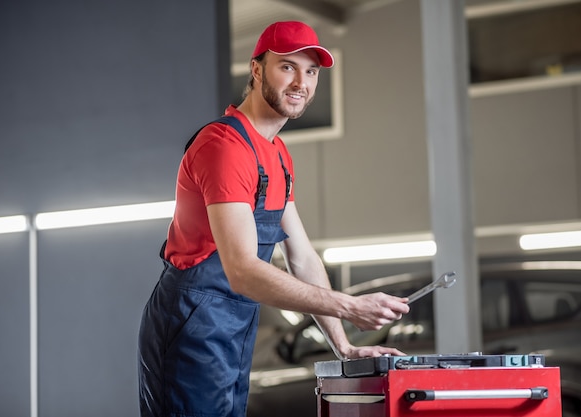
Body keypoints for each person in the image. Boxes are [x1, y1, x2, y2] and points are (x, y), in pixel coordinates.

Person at [138, 20, 411, 417]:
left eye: (312, 71)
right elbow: (243, 271)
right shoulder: (224, 147)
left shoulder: (278, 155)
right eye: (288, 67)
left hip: (234, 325)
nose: (302, 81)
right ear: (256, 70)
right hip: (192, 325)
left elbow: (302, 258)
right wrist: (349, 306)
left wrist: (343, 344)